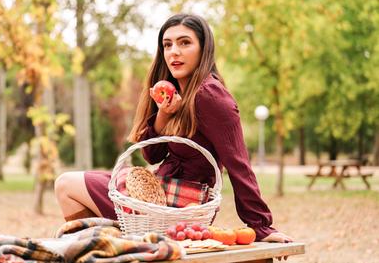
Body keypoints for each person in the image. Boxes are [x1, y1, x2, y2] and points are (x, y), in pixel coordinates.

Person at [54, 13, 293, 249]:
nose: (173, 52)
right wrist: (164, 113)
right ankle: (111, 248)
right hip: (160, 189)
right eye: (167, 45)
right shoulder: (176, 92)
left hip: (183, 202)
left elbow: (238, 162)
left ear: (204, 49)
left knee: (66, 184)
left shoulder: (209, 95)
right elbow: (152, 155)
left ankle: (107, 248)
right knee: (68, 187)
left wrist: (261, 226)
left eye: (184, 43)